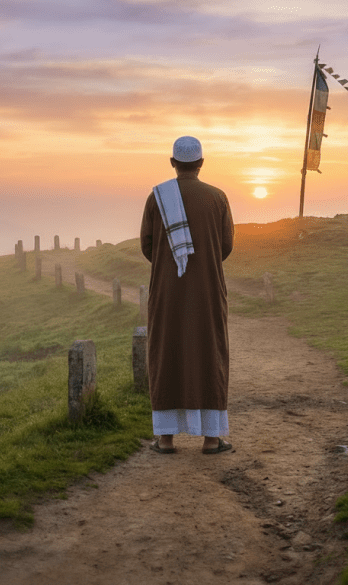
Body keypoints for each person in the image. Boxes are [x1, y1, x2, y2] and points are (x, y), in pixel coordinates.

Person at [140, 136, 234, 455]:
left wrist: (171, 264)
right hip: (208, 289)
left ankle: (165, 438)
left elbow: (147, 245)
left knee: (167, 351)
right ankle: (211, 439)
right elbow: (225, 246)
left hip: (167, 291)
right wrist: (202, 262)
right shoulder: (218, 197)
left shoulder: (158, 197)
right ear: (201, 164)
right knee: (210, 352)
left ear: (173, 163)